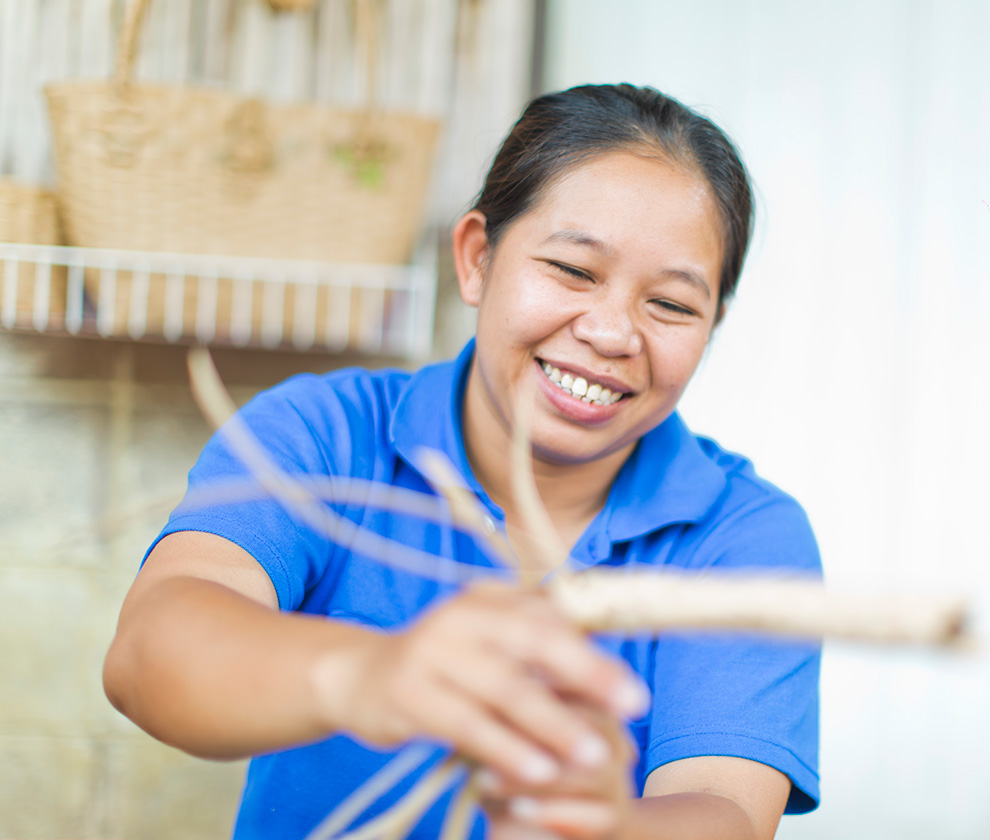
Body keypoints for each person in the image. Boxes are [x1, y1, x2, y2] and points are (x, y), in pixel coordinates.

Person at [104, 83, 822, 840]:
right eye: (574, 271)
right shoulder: (321, 434)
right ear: (478, 258)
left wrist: (603, 827)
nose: (612, 333)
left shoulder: (745, 535)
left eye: (671, 306)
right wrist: (367, 676)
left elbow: (729, 812)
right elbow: (151, 651)